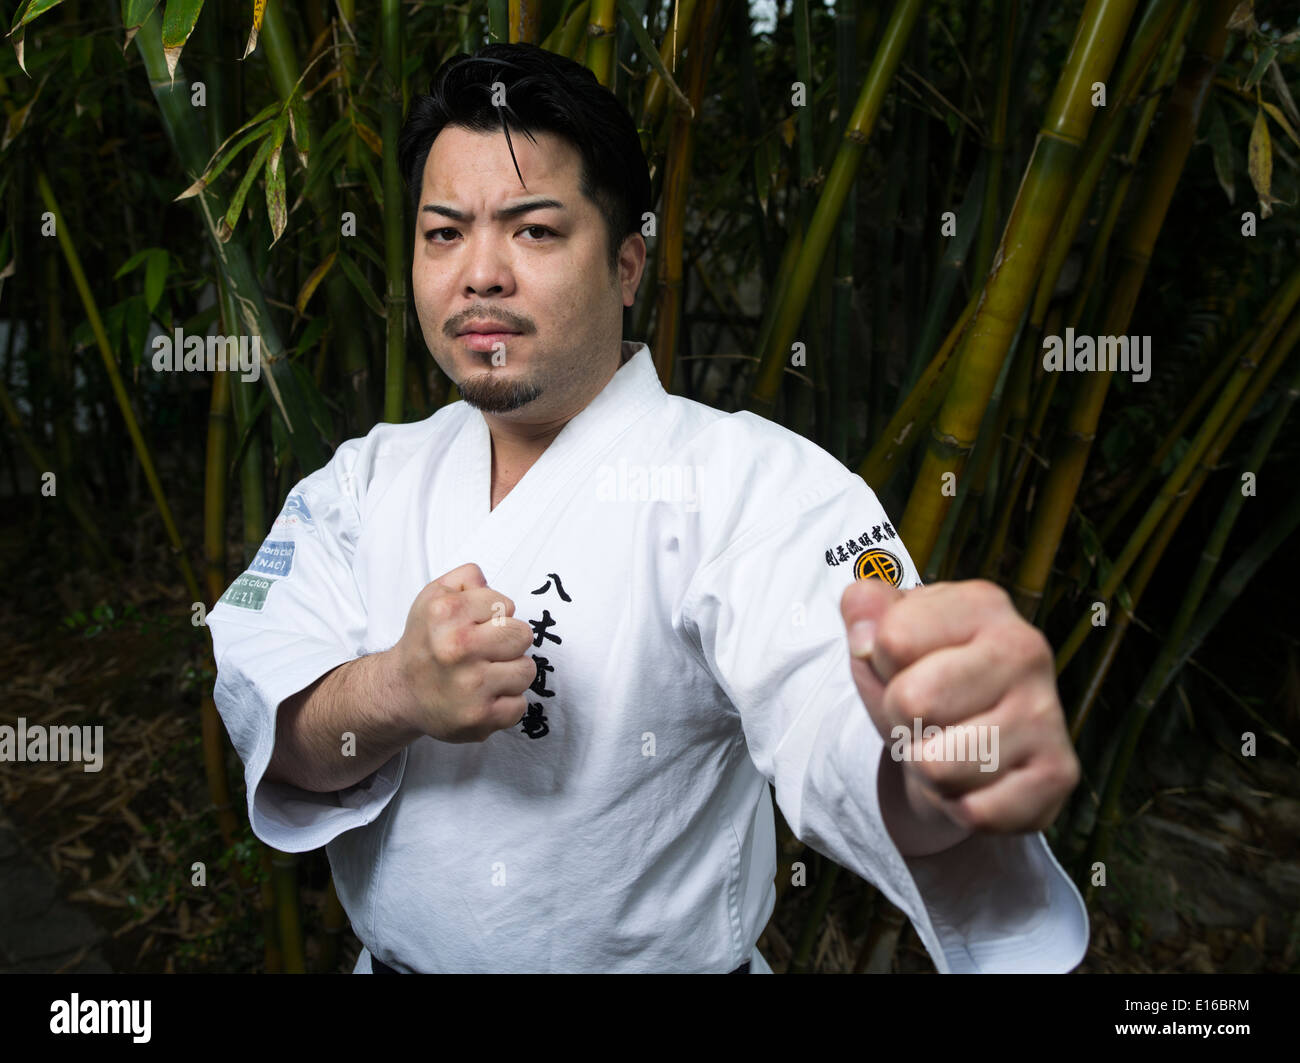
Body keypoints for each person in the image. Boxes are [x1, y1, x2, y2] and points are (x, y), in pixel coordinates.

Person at [206, 42, 1088, 974]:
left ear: (627, 266)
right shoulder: (362, 480)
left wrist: (939, 757)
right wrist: (399, 689)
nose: (481, 273)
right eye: (443, 232)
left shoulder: (754, 485)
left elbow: (837, 710)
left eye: (534, 230)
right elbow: (279, 731)